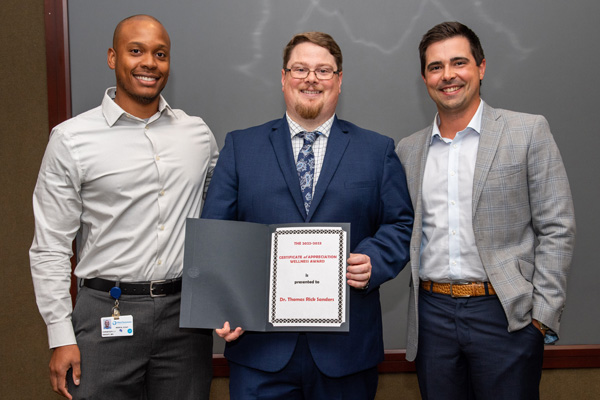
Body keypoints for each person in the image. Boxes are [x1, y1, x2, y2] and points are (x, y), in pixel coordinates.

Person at [201, 31, 413, 399]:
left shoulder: (377, 150)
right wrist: (223, 307)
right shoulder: (241, 146)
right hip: (259, 350)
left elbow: (400, 223)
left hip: (346, 355)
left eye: (323, 70)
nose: (311, 79)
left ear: (339, 81)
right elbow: (216, 234)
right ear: (283, 78)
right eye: (300, 69)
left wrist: (374, 262)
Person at [30, 15, 218, 399]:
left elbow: (225, 214)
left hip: (186, 318)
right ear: (113, 58)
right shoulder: (71, 139)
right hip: (104, 315)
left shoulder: (197, 135)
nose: (149, 62)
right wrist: (60, 334)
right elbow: (49, 246)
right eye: (137, 51)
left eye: (160, 54)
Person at [396, 21, 576, 399]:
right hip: (432, 319)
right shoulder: (407, 151)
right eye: (435, 66)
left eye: (459, 62)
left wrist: (541, 318)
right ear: (424, 78)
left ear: (480, 67)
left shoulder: (527, 132)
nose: (448, 75)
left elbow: (557, 227)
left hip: (507, 317)